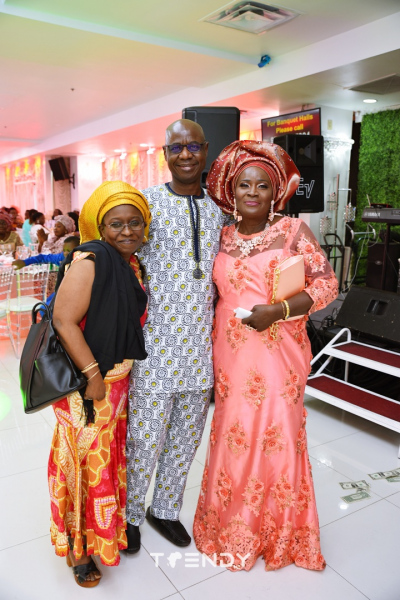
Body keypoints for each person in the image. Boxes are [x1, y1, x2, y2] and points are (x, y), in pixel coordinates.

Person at [193, 140, 338, 572]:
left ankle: (281, 531)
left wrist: (279, 311)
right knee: (233, 432)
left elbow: (326, 285)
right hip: (230, 352)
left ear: (275, 191)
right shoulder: (222, 235)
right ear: (231, 191)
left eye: (262, 185)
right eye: (244, 185)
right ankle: (231, 525)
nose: (252, 192)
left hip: (279, 350)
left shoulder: (293, 231)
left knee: (277, 432)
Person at [125, 119, 229, 552]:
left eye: (193, 147)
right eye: (176, 147)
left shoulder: (219, 210)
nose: (185, 154)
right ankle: (130, 514)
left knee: (186, 440)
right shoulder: (145, 204)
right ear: (165, 154)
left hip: (200, 350)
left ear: (205, 151)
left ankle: (164, 510)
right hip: (154, 348)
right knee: (144, 439)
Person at [49, 180, 151, 587]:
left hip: (117, 384)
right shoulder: (91, 260)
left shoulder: (131, 264)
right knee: (81, 465)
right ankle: (78, 548)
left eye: (135, 222)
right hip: (87, 386)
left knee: (105, 463)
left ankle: (103, 534)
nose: (127, 231)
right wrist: (93, 376)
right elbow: (63, 320)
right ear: (99, 226)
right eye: (116, 224)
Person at [12, 235, 79, 270]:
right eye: (64, 250)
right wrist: (25, 262)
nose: (66, 253)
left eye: (69, 251)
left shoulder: (82, 260)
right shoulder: (61, 258)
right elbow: (42, 257)